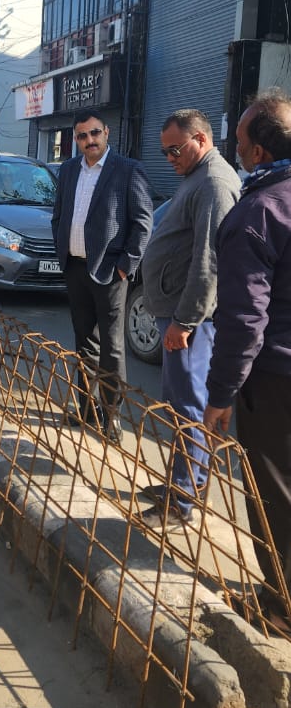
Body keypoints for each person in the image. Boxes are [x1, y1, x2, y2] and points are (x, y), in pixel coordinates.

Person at [204, 89, 291, 636]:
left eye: (238, 141)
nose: (234, 149)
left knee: (273, 494)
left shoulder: (258, 212)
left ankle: (281, 607)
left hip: (276, 379)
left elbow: (243, 321)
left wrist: (220, 395)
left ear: (258, 151)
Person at [141, 108, 240, 529]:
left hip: (189, 319)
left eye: (175, 150)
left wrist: (184, 321)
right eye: (165, 152)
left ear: (200, 139)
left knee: (188, 408)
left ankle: (181, 501)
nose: (170, 159)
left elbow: (209, 262)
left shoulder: (214, 183)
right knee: (181, 403)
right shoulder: (197, 176)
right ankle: (185, 483)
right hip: (177, 311)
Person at [51, 107, 153, 442]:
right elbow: (58, 215)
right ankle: (86, 408)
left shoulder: (128, 170)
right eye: (82, 136)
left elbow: (143, 224)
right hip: (75, 268)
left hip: (110, 272)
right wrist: (62, 250)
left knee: (112, 347)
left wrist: (126, 265)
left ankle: (111, 416)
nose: (89, 140)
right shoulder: (68, 170)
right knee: (84, 342)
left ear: (106, 132)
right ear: (76, 140)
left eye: (95, 133)